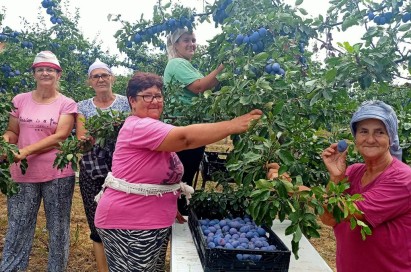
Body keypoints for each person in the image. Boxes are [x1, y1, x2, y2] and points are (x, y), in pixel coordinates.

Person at [94, 72, 262, 272]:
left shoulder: (155, 127)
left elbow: (151, 174)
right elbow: (185, 139)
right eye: (147, 96)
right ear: (132, 101)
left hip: (150, 221)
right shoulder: (139, 126)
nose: (155, 101)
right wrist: (232, 126)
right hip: (130, 224)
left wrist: (166, 200)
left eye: (158, 95)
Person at [320, 100, 411, 271]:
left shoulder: (404, 180)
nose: (370, 139)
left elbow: (349, 210)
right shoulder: (352, 173)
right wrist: (336, 177)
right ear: (355, 137)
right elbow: (329, 218)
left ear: (391, 138)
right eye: (363, 131)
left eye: (379, 132)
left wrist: (294, 190)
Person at [0, 51, 77, 272]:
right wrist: (5, 143)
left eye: (50, 69)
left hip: (58, 174)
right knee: (18, 226)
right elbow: (12, 131)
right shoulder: (19, 100)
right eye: (40, 69)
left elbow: (60, 136)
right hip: (22, 174)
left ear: (58, 75)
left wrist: (24, 152)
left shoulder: (67, 103)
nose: (45, 73)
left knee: (58, 228)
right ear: (33, 73)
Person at [76, 59, 130, 272]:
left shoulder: (127, 103)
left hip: (123, 169)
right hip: (92, 170)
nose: (101, 79)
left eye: (104, 75)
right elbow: (82, 140)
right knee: (97, 220)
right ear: (90, 82)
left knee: (123, 219)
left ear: (112, 78)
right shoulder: (82, 106)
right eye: (96, 76)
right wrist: (97, 134)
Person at [163, 27, 225, 215]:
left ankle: (180, 213)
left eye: (193, 40)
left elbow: (208, 85)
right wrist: (223, 66)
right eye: (186, 40)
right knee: (181, 175)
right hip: (183, 130)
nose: (192, 44)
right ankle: (175, 215)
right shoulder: (176, 64)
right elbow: (199, 87)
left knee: (185, 176)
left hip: (192, 130)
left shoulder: (189, 66)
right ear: (175, 45)